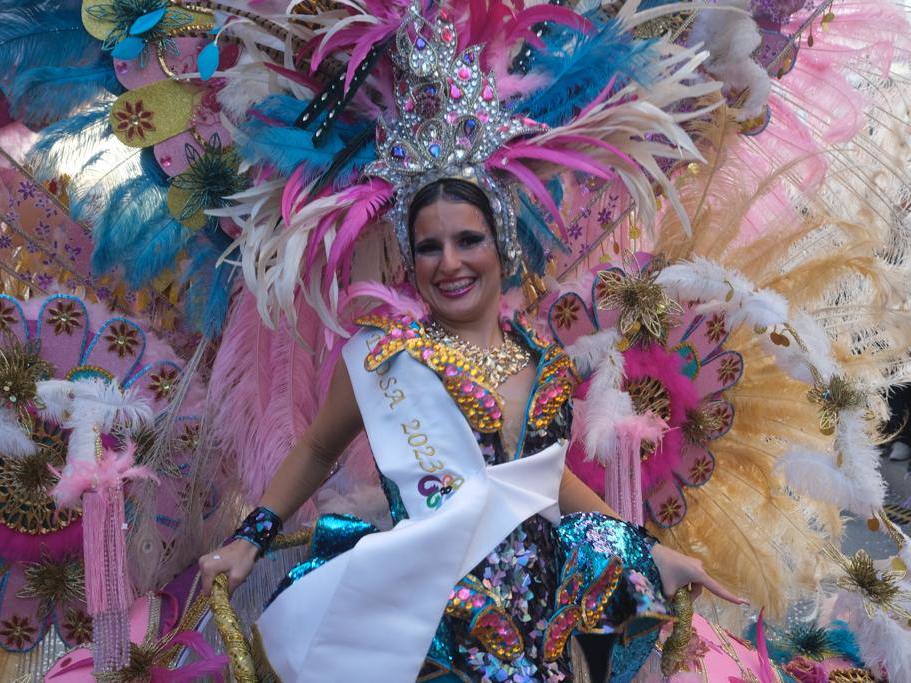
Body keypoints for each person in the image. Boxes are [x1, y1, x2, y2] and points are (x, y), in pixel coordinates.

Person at [199, 178, 745, 682]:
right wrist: (251, 537)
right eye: (429, 247)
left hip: (536, 624)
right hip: (430, 627)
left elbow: (543, 480)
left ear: (502, 247)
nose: (450, 263)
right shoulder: (382, 357)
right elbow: (318, 448)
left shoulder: (545, 363)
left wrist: (650, 550)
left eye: (468, 240)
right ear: (411, 263)